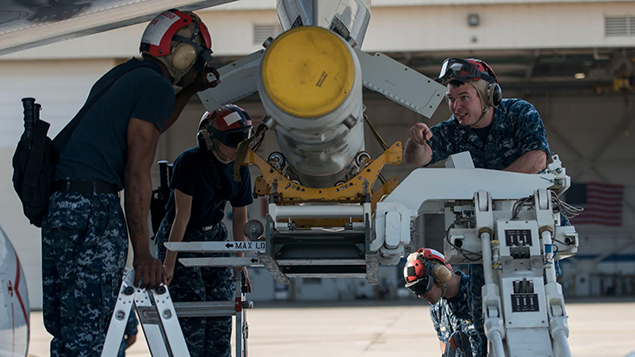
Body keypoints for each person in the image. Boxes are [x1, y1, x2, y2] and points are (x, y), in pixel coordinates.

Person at [41, 9, 220, 356]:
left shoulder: (125, 76)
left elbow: (152, 123)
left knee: (68, 329)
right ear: (183, 53)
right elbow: (136, 172)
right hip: (94, 207)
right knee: (98, 332)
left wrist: (190, 91)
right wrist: (143, 254)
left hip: (61, 205)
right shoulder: (155, 86)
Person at [155, 104, 254, 357]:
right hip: (181, 237)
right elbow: (182, 216)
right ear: (209, 139)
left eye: (245, 139)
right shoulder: (190, 162)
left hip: (214, 236)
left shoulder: (240, 168)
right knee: (193, 313)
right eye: (234, 140)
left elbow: (240, 215)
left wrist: (238, 262)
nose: (240, 147)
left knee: (222, 311)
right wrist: (169, 264)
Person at [404, 57, 550, 173]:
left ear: (489, 96)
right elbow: (416, 159)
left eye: (464, 97)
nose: (456, 107)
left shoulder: (519, 113)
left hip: (530, 206)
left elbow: (538, 160)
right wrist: (417, 142)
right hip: (479, 208)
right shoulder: (452, 130)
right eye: (450, 99)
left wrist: (497, 188)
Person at [403, 248, 484, 357]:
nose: (420, 295)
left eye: (421, 287)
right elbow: (445, 348)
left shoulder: (479, 292)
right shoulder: (437, 309)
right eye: (414, 290)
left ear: (439, 274)